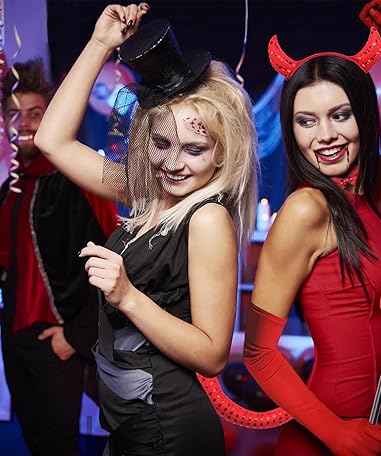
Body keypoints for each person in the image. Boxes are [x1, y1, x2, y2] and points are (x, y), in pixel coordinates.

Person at [35, 3, 258, 455]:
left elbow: (213, 354)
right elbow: (51, 141)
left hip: (170, 430)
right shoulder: (146, 193)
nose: (172, 164)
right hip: (133, 425)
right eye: (161, 143)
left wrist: (127, 296)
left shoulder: (208, 218)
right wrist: (100, 43)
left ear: (222, 153)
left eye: (194, 149)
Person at [243, 0, 381, 455]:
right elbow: (258, 354)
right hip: (325, 440)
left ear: (364, 114)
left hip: (374, 434)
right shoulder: (307, 210)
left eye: (340, 115)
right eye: (306, 121)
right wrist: (336, 433)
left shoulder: (373, 189)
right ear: (292, 129)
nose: (325, 135)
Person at [0, 59, 118, 455]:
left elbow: (115, 258)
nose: (23, 124)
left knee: (58, 447)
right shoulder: (11, 186)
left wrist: (76, 336)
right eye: (13, 114)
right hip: (17, 341)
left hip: (61, 340)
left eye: (35, 113)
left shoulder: (77, 179)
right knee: (34, 442)